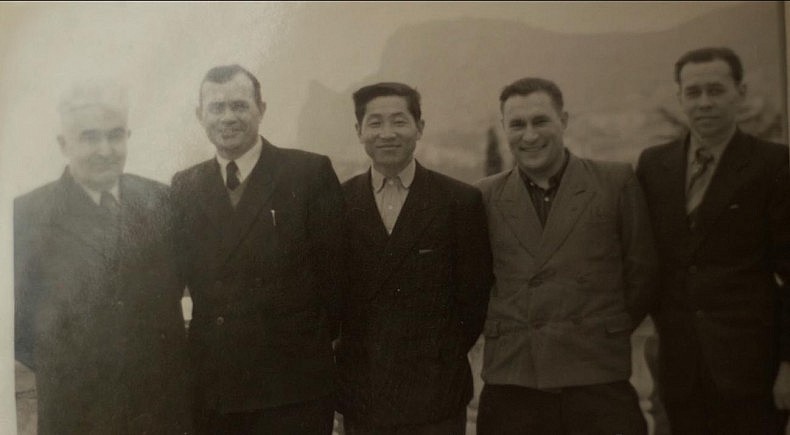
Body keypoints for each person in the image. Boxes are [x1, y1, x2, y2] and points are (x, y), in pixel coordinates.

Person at [475, 77, 658, 435]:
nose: (530, 136)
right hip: (513, 380)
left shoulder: (614, 182)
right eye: (517, 125)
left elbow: (643, 274)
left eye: (540, 121)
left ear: (564, 120)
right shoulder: (483, 196)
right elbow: (471, 284)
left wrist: (598, 331)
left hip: (596, 377)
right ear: (504, 129)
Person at [171, 64, 345, 434]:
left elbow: (337, 282)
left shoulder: (308, 173)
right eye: (216, 108)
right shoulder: (185, 186)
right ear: (200, 116)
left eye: (239, 105)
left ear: (261, 110)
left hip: (292, 388)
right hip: (215, 388)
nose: (228, 117)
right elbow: (180, 277)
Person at [14, 79, 192, 434]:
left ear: (128, 136)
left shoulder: (161, 201)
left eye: (115, 135)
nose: (105, 149)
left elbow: (175, 291)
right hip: (78, 413)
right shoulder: (27, 215)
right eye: (90, 137)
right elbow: (19, 328)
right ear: (64, 144)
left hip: (158, 413)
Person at [636, 46, 790, 435]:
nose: (704, 102)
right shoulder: (654, 164)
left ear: (740, 91)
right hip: (679, 368)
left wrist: (789, 365)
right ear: (679, 97)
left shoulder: (773, 164)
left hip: (752, 369)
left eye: (716, 90)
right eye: (693, 92)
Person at [336, 82, 493, 434]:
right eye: (375, 123)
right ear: (359, 131)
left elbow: (474, 299)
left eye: (399, 121)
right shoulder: (338, 202)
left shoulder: (459, 202)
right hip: (365, 392)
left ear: (419, 128)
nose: (387, 134)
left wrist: (436, 355)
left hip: (435, 392)